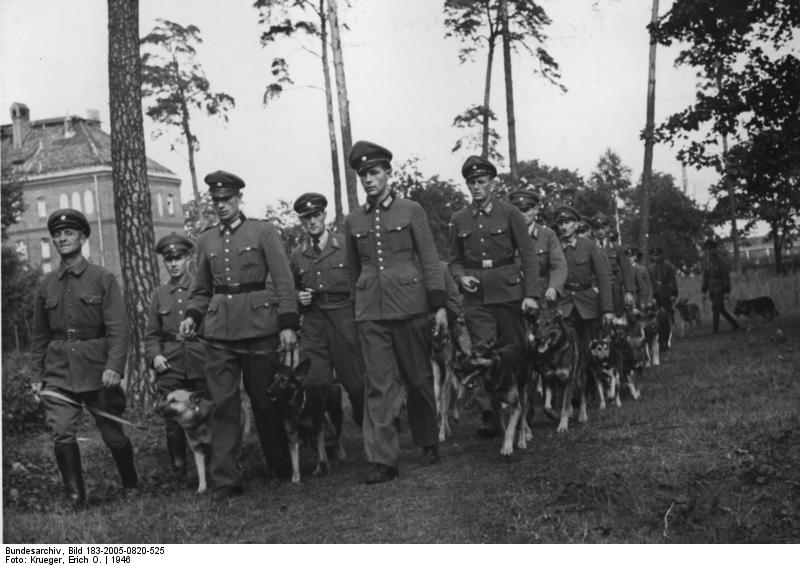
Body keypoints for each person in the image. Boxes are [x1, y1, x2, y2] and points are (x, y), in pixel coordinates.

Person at [179, 170, 299, 501]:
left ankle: (280, 464)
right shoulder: (206, 239)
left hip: (260, 327)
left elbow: (283, 279)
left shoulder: (262, 231)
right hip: (219, 333)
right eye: (216, 200)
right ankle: (226, 478)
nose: (221, 205)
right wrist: (192, 316)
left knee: (264, 399)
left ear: (238, 199)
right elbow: (201, 289)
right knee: (222, 405)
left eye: (227, 199)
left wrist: (288, 323)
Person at [343, 140, 447, 484]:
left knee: (418, 379)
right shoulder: (353, 220)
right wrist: (357, 307)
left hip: (410, 306)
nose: (368, 180)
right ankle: (382, 459)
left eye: (374, 173)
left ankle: (427, 439)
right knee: (379, 386)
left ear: (388, 173)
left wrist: (438, 305)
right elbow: (353, 271)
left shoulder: (411, 210)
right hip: (371, 311)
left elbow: (429, 260)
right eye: (363, 175)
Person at [31, 209, 137, 508]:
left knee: (113, 435)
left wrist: (114, 367)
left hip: (97, 369)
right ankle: (76, 498)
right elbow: (39, 336)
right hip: (59, 371)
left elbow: (119, 329)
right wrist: (36, 376)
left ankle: (131, 484)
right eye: (57, 234)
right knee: (62, 433)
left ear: (83, 237)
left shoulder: (102, 278)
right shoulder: (46, 284)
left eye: (69, 233)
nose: (62, 238)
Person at [448, 157, 540, 439]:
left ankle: (523, 412)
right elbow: (454, 260)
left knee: (516, 354)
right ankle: (491, 414)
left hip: (510, 294)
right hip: (477, 300)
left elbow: (528, 255)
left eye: (481, 181)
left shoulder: (510, 213)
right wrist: (461, 278)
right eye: (471, 183)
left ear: (492, 183)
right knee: (482, 355)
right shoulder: (459, 219)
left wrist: (531, 295)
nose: (476, 187)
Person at [289, 192, 366, 440]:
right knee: (314, 382)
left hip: (344, 317)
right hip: (314, 322)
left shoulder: (344, 245)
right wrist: (298, 296)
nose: (312, 221)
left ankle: (369, 427)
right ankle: (329, 438)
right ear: (301, 221)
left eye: (316, 215)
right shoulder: (297, 254)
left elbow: (361, 279)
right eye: (306, 218)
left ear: (324, 215)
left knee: (355, 382)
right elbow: (289, 288)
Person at [145, 233, 207, 476]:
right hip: (170, 365)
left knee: (206, 414)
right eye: (168, 260)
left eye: (178, 258)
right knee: (172, 420)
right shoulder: (159, 295)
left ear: (188, 259)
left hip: (200, 360)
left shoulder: (201, 290)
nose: (173, 264)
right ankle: (179, 471)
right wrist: (155, 356)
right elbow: (152, 335)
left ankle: (213, 468)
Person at [552, 204, 613, 348]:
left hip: (588, 305)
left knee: (590, 347)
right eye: (561, 224)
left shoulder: (589, 246)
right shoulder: (554, 246)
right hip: (564, 305)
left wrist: (607, 310)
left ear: (576, 224)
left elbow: (603, 279)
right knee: (566, 348)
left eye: (568, 222)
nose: (564, 227)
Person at [508, 189, 567, 303]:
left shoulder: (547, 235)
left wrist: (553, 287)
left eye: (525, 210)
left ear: (535, 210)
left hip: (541, 295)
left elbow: (558, 265)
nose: (521, 215)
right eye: (517, 211)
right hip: (511, 294)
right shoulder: (505, 235)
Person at [590, 213, 635, 316]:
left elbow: (626, 270)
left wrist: (628, 292)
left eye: (603, 228)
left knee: (617, 316)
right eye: (597, 228)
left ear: (608, 228)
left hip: (614, 287)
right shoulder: (590, 247)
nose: (600, 231)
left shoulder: (616, 248)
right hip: (596, 287)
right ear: (593, 230)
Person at [701, 239, 740, 333]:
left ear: (715, 249)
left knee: (715, 307)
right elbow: (705, 277)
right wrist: (704, 291)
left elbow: (726, 277)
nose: (709, 251)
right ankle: (734, 323)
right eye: (707, 249)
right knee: (720, 308)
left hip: (720, 287)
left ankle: (715, 330)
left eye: (711, 249)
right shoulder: (707, 262)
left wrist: (727, 291)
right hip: (711, 288)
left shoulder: (721, 262)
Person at [647, 246, 679, 348]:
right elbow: (649, 283)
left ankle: (667, 338)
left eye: (657, 255)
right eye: (653, 255)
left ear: (661, 255)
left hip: (666, 293)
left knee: (667, 316)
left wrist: (674, 294)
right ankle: (660, 339)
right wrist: (651, 296)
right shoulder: (650, 268)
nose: (655, 257)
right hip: (656, 294)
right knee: (657, 317)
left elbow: (673, 281)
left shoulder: (668, 267)